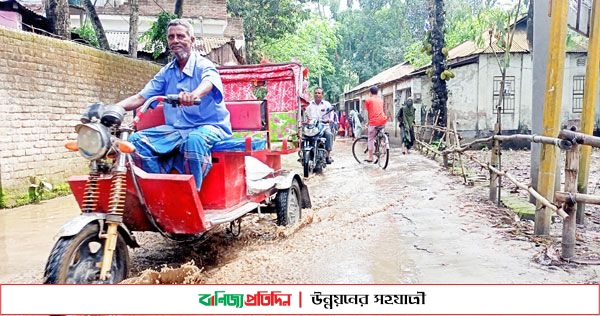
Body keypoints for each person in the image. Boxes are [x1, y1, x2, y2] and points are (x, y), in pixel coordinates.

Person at [117, 19, 232, 191]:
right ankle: (159, 189)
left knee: (194, 141)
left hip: (210, 127)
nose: (175, 40)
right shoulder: (167, 72)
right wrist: (113, 108)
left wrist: (194, 95)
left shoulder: (204, 65)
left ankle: (191, 194)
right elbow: (141, 97)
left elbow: (209, 82)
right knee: (135, 141)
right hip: (177, 129)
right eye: (171, 37)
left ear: (192, 40)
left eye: (180, 36)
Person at [305, 87, 334, 164]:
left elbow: (331, 112)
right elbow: (304, 113)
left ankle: (328, 155)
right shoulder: (309, 104)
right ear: (313, 94)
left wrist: (330, 119)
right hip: (312, 127)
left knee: (329, 134)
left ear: (322, 95)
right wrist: (305, 120)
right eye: (316, 93)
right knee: (303, 136)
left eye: (319, 93)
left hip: (324, 126)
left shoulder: (326, 104)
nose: (317, 94)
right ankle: (303, 153)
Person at [364, 86, 388, 163]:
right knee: (380, 135)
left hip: (374, 122)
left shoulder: (368, 100)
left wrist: (368, 122)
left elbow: (368, 113)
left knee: (370, 139)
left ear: (370, 93)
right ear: (377, 93)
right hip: (383, 121)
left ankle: (371, 157)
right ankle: (382, 145)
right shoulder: (381, 100)